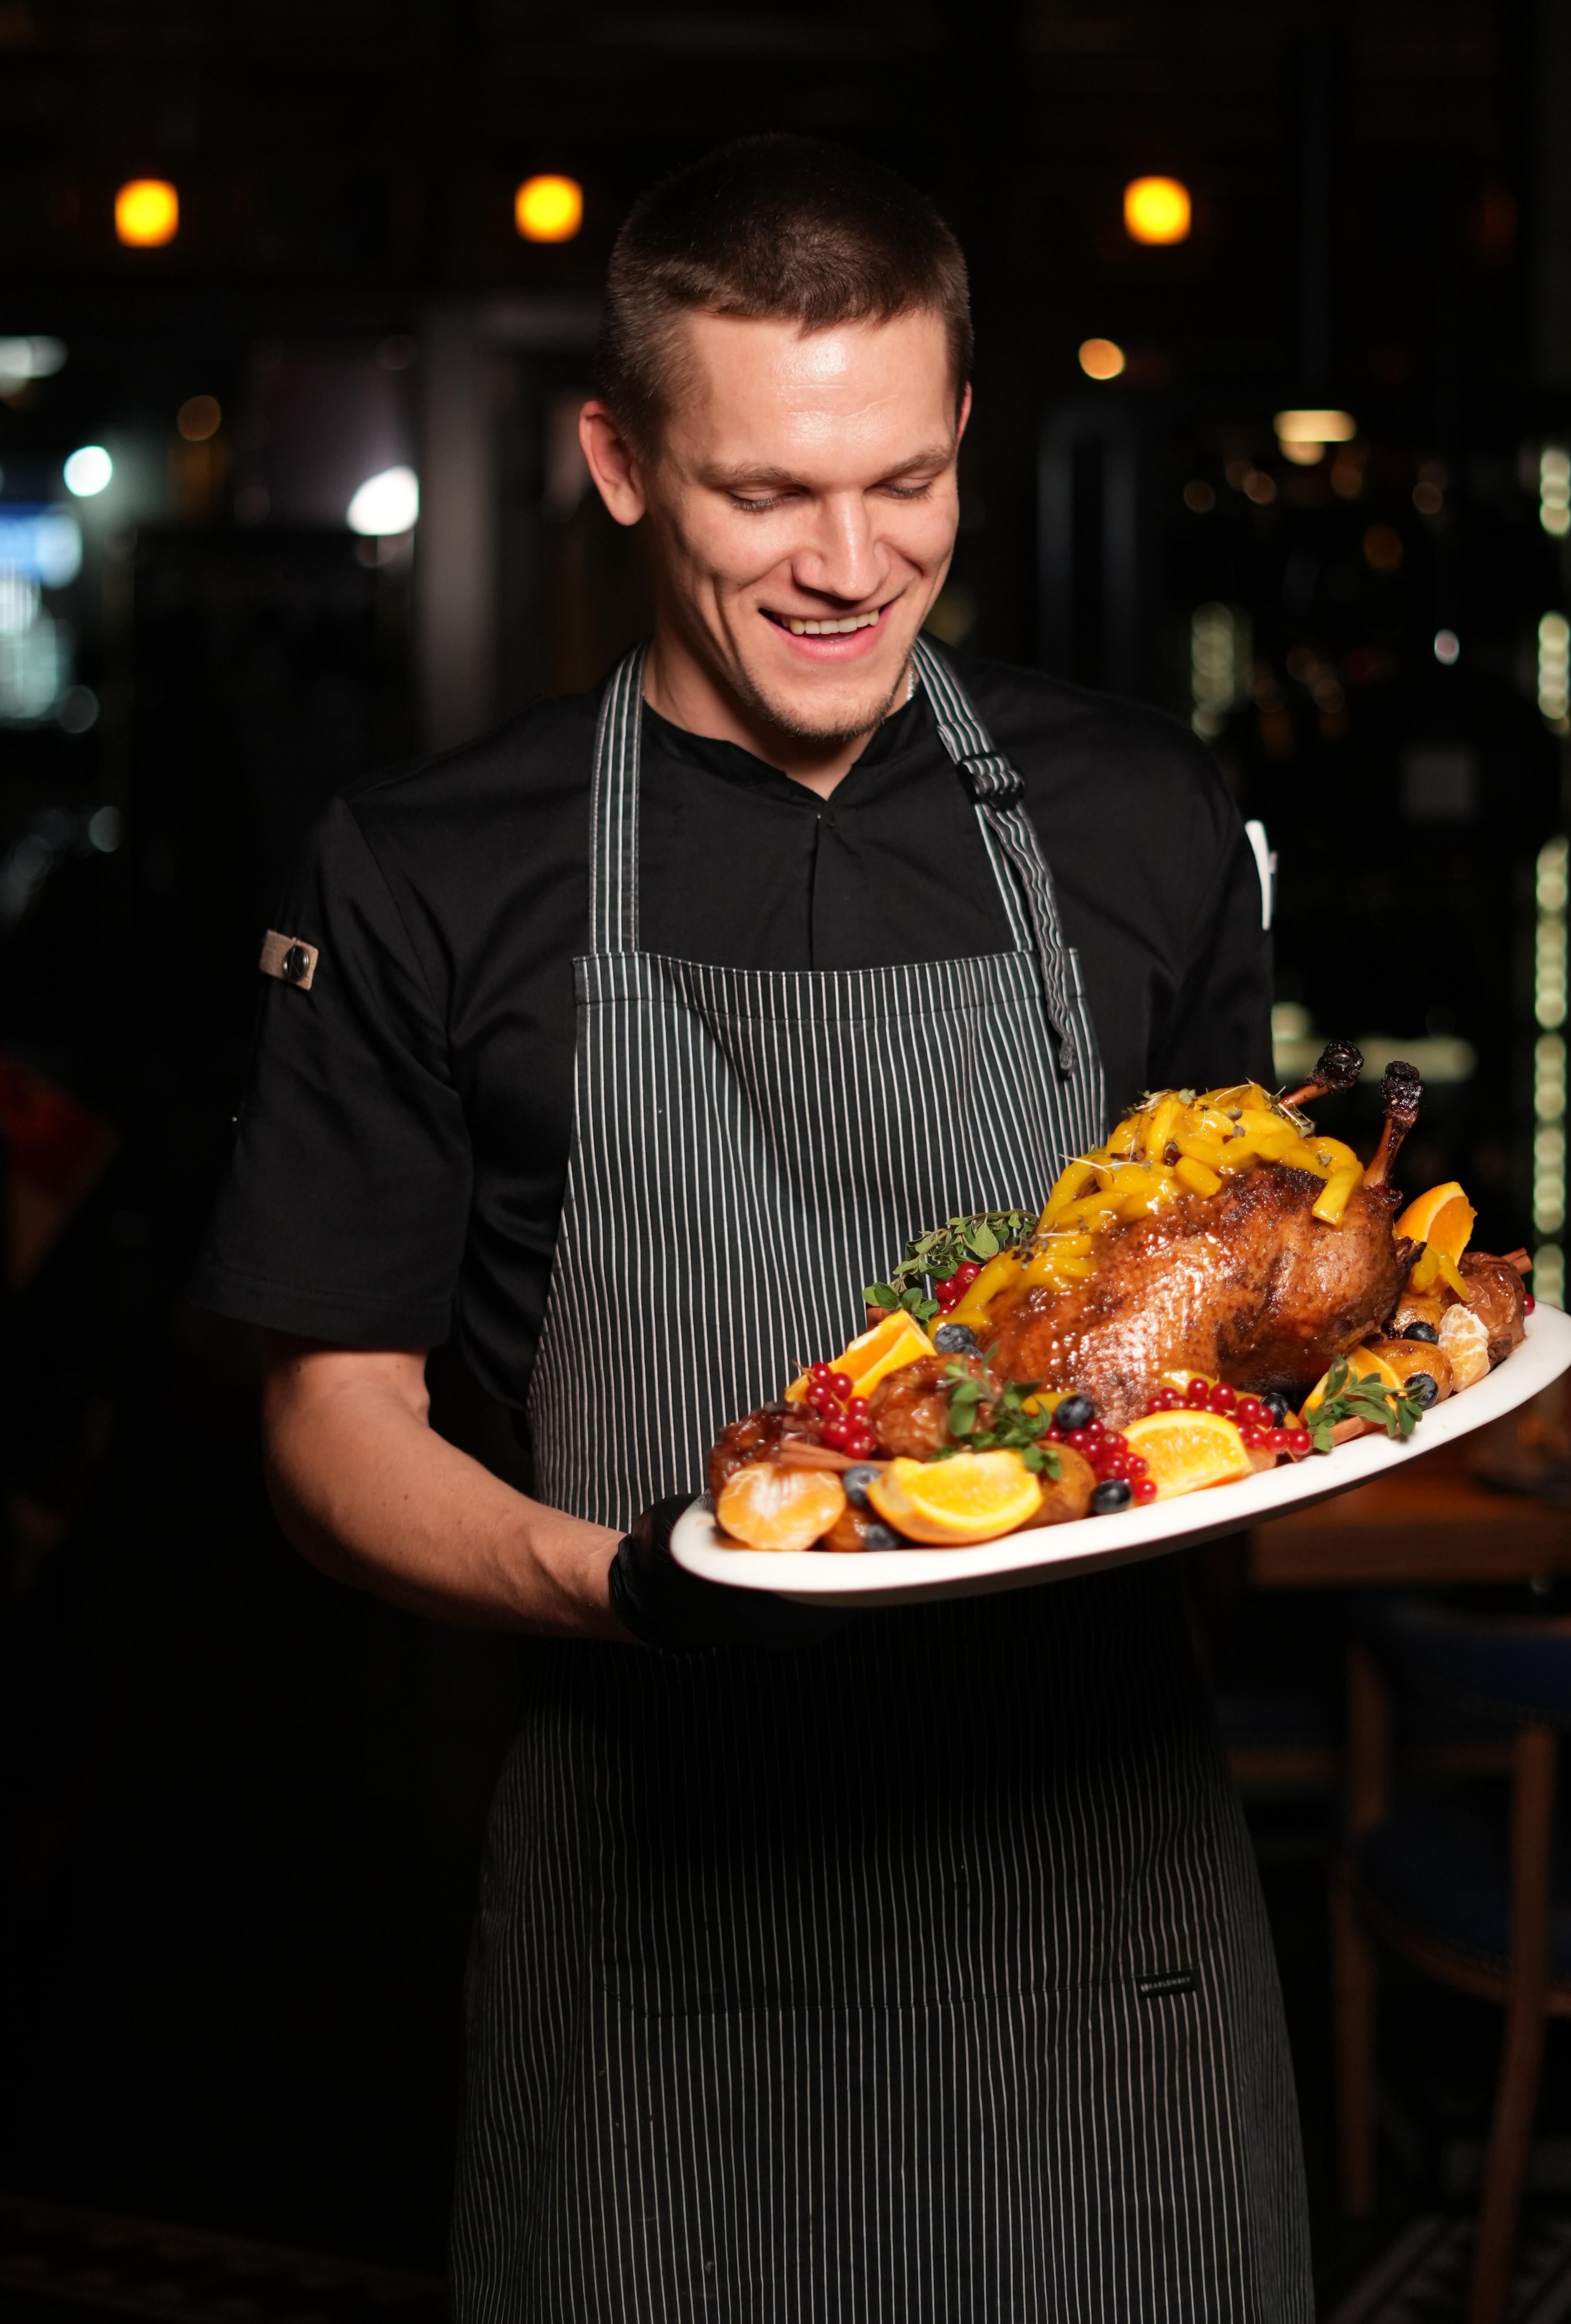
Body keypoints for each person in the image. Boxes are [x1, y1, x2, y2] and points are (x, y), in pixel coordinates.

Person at [197, 133, 1312, 2323]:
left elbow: (1228, 1313)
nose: (847, 563)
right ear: (617, 459)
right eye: (764, 495)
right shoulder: (425, 871)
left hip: (1096, 1920)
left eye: (902, 482)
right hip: (657, 1912)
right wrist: (628, 1588)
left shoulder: (1146, 820)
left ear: (964, 431)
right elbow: (332, 1428)